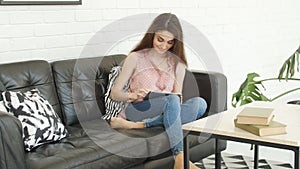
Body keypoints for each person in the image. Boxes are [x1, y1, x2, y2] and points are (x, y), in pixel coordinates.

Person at [109, 13, 207, 169]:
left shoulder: (178, 64)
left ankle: (135, 126)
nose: (163, 46)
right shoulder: (135, 58)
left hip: (166, 107)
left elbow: (177, 95)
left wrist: (176, 99)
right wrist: (133, 94)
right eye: (160, 39)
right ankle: (179, 156)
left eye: (169, 42)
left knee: (200, 104)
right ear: (152, 35)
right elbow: (115, 93)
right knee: (172, 101)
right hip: (138, 108)